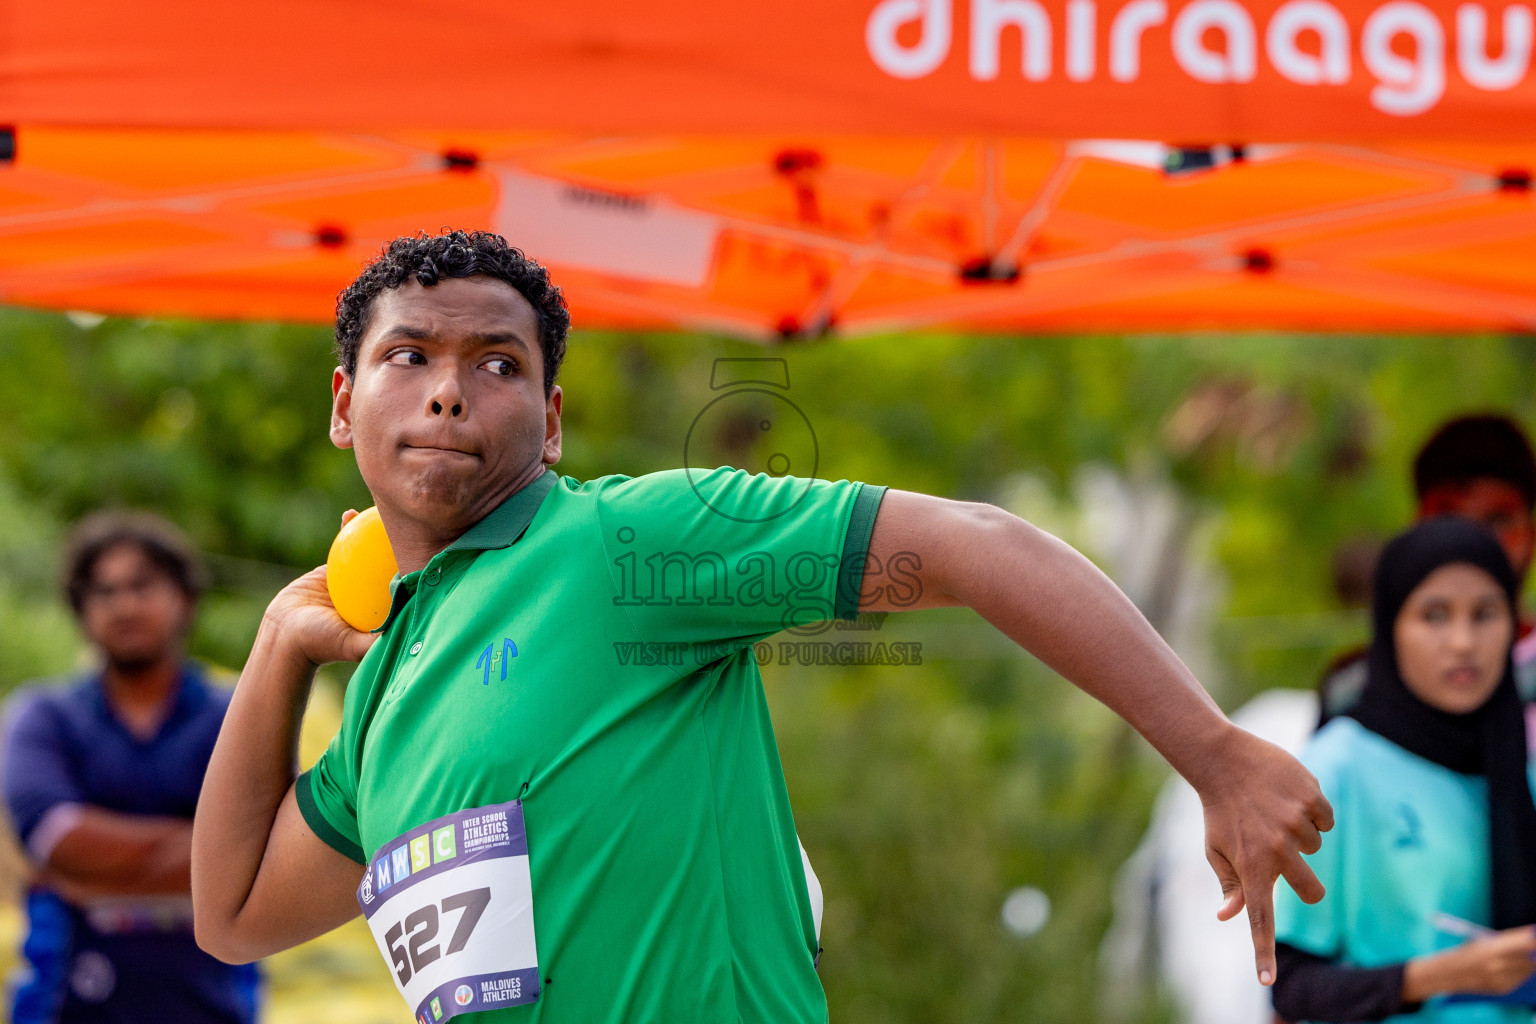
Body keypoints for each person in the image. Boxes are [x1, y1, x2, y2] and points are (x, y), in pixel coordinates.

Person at [191, 229, 1333, 1024]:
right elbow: (233, 913)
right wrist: (280, 648)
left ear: (547, 420)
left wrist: (1215, 754)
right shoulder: (385, 679)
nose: (448, 391)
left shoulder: (629, 540)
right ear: (345, 404)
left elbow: (979, 540)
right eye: (409, 357)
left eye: (496, 363)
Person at [1272, 517, 1536, 1023]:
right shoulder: (1335, 768)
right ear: (1391, 626)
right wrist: (1444, 975)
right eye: (1435, 615)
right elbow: (1291, 985)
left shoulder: (1515, 772)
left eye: (1486, 614)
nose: (1463, 641)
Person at [2, 512, 259, 1024]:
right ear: (80, 609)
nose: (123, 604)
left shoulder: (238, 716)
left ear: (184, 598)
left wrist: (92, 878)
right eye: (103, 591)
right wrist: (214, 854)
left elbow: (268, 851)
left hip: (211, 1000)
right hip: (65, 996)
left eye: (142, 585)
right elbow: (55, 840)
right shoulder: (44, 717)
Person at [1319, 415, 1536, 725]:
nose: (1470, 541)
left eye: (1497, 521)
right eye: (1448, 519)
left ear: (1530, 535)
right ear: (1415, 529)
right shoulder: (1354, 691)